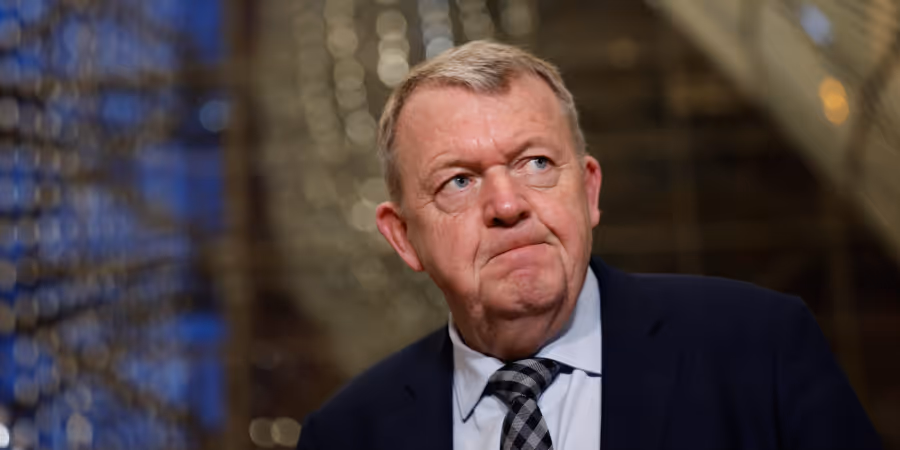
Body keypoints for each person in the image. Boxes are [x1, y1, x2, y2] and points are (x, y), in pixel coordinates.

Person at [296, 41, 881, 450]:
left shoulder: (759, 348)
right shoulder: (346, 436)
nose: (507, 205)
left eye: (536, 163)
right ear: (403, 237)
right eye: (459, 181)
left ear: (590, 190)